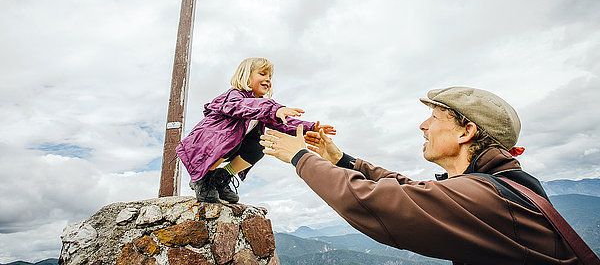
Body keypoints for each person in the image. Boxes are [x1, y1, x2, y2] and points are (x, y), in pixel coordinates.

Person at [260, 86, 583, 264]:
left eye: (434, 118)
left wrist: (299, 156)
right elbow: (412, 188)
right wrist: (341, 159)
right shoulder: (494, 186)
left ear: (466, 131)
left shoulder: (486, 196)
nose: (423, 126)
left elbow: (375, 201)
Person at [176, 57, 335, 204]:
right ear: (246, 76)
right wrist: (274, 109)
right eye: (262, 74)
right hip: (204, 148)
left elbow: (282, 122)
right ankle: (203, 178)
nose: (268, 79)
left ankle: (221, 178)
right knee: (232, 139)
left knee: (259, 144)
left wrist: (311, 127)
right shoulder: (233, 96)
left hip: (230, 145)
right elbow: (242, 107)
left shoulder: (261, 106)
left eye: (270, 77)